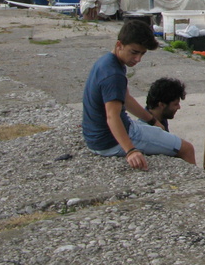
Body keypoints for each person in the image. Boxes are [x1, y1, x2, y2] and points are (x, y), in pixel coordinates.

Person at [81, 20, 195, 170]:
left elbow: (126, 99)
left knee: (157, 131)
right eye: (134, 52)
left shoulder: (106, 62)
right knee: (187, 149)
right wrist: (130, 151)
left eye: (142, 54)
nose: (138, 59)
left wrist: (152, 120)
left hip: (95, 138)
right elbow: (112, 116)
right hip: (109, 141)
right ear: (119, 45)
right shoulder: (114, 75)